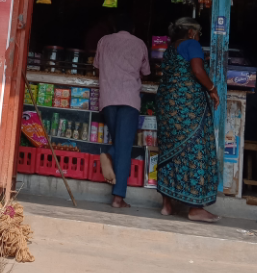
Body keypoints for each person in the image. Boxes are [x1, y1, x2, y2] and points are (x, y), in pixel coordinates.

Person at [155, 17, 220, 223]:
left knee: (169, 152)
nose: (199, 37)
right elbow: (197, 70)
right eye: (198, 34)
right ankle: (195, 208)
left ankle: (167, 206)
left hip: (166, 107)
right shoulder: (192, 44)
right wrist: (212, 89)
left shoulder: (169, 50)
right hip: (187, 108)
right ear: (191, 32)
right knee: (195, 150)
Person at [93, 14, 150, 209]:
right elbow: (146, 72)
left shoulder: (104, 41)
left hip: (108, 98)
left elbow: (97, 66)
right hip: (129, 99)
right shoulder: (139, 44)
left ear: (114, 27)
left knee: (119, 143)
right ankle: (118, 198)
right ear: (133, 29)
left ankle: (110, 154)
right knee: (124, 147)